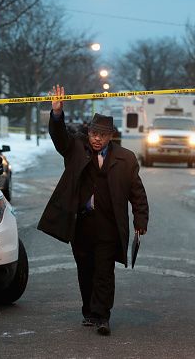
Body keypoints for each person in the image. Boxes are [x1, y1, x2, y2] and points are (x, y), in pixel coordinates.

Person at [38, 85, 149, 336]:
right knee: (85, 270)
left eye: (102, 135)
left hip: (109, 225)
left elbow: (137, 193)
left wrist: (140, 219)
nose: (97, 139)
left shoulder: (126, 159)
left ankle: (102, 316)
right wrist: (57, 114)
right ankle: (89, 310)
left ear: (111, 136)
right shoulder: (76, 149)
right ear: (88, 133)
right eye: (93, 133)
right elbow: (59, 137)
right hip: (82, 224)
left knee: (104, 272)